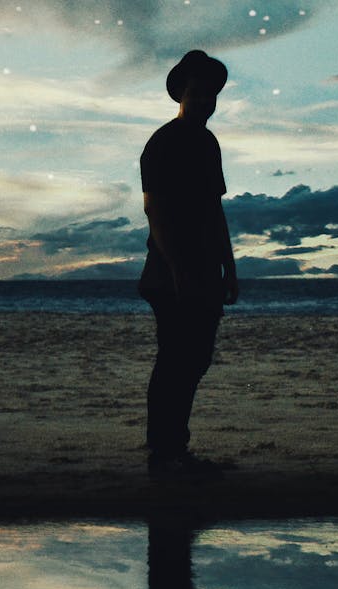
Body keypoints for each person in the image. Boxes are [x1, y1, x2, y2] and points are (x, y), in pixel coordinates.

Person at [139, 50, 238, 476]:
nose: (203, 101)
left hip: (204, 270)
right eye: (196, 93)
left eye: (210, 95)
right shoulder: (163, 143)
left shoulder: (207, 144)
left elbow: (215, 209)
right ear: (181, 93)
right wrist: (177, 270)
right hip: (170, 273)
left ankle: (174, 448)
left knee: (195, 359)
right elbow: (155, 211)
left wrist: (229, 267)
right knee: (175, 360)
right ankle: (164, 453)